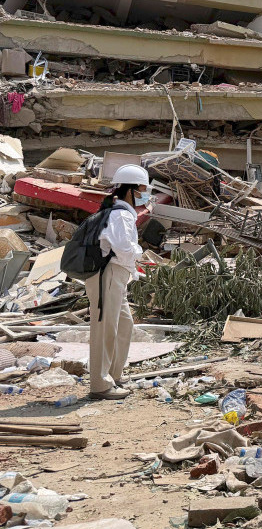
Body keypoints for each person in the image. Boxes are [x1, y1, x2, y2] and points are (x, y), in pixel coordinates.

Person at [87, 164, 148, 401]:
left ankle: (113, 375)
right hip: (108, 275)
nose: (146, 194)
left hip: (116, 276)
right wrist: (140, 251)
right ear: (130, 190)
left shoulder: (121, 212)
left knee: (124, 326)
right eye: (142, 189)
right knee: (104, 329)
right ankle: (100, 385)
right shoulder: (120, 214)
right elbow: (123, 249)